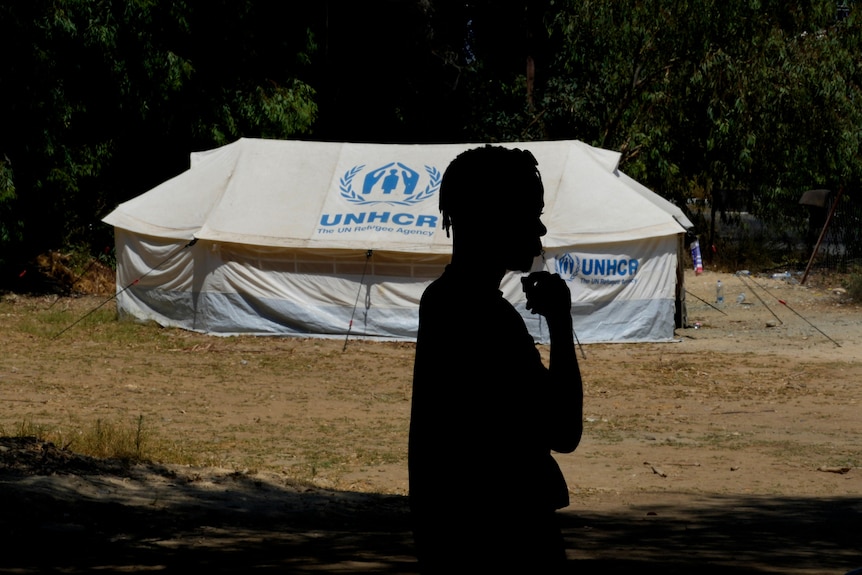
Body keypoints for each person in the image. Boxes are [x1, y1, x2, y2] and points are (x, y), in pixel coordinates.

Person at [408, 145, 584, 573]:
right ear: (494, 218)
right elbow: (563, 430)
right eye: (529, 212)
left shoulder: (443, 302)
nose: (540, 227)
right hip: (504, 547)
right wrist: (561, 324)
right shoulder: (486, 318)